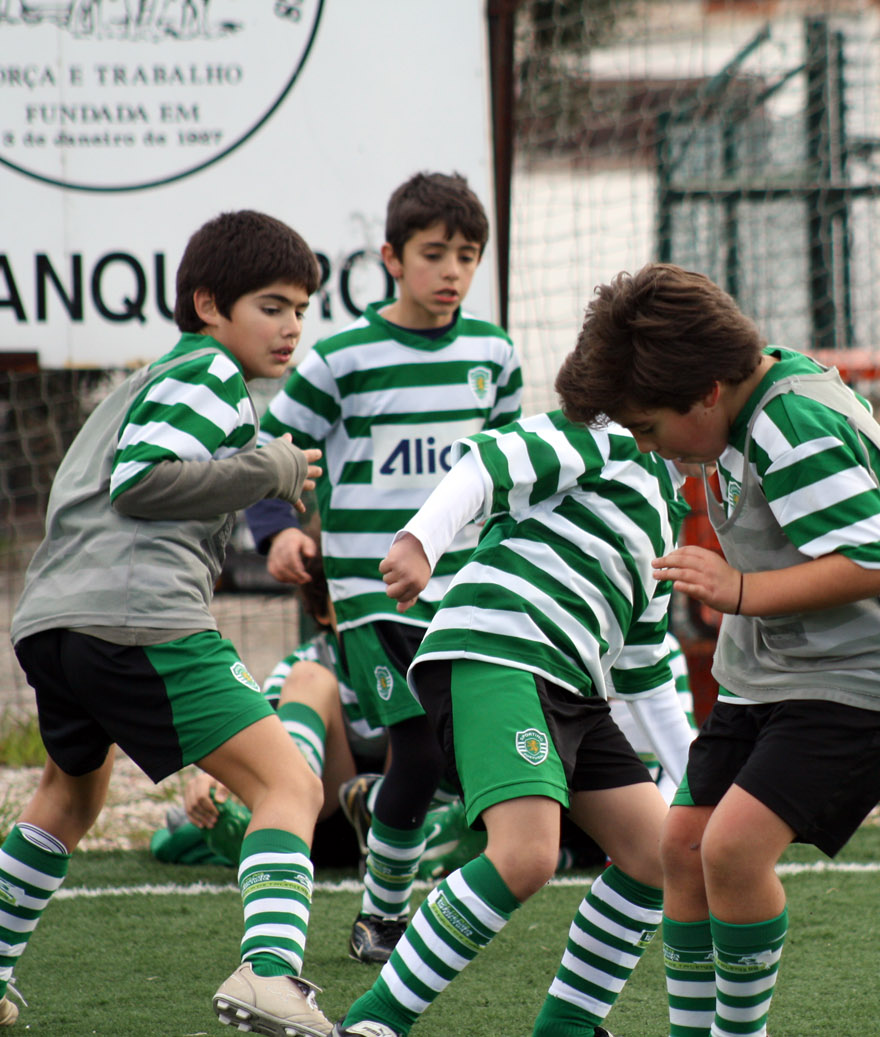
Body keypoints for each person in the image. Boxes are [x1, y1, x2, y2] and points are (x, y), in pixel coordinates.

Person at [554, 262, 880, 1037]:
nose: (647, 447)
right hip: (769, 668)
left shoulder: (789, 425)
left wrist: (737, 589)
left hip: (867, 676)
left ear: (706, 391)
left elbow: (876, 563)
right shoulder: (740, 407)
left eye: (648, 428)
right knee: (682, 846)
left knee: (733, 852)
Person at [4, 210, 334, 1036]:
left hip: (54, 620)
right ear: (208, 305)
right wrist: (268, 467)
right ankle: (268, 974)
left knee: (68, 797)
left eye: (301, 308)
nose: (291, 326)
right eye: (271, 305)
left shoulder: (143, 382)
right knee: (290, 783)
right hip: (136, 617)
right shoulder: (209, 372)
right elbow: (142, 480)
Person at [332, 409, 686, 1037]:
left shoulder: (667, 509)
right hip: (499, 650)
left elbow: (642, 665)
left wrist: (697, 782)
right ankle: (371, 1023)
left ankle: (566, 1029)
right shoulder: (608, 434)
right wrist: (420, 541)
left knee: (656, 856)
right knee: (526, 855)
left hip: (572, 687)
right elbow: (487, 464)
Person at [244, 171, 523, 965]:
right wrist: (277, 531)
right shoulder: (341, 358)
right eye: (434, 254)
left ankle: (393, 864)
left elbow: (506, 472)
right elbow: (273, 453)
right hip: (373, 597)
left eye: (467, 255)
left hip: (465, 596)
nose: (452, 271)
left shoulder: (494, 354)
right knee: (421, 750)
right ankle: (383, 916)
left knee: (457, 759)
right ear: (391, 259)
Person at [153, 548, 389, 869]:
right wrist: (217, 783)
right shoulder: (303, 663)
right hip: (320, 824)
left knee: (425, 686)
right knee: (308, 679)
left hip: (409, 818)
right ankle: (283, 810)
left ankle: (421, 834)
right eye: (352, 598)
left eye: (386, 595)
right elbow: (261, 742)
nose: (371, 613)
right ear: (323, 609)